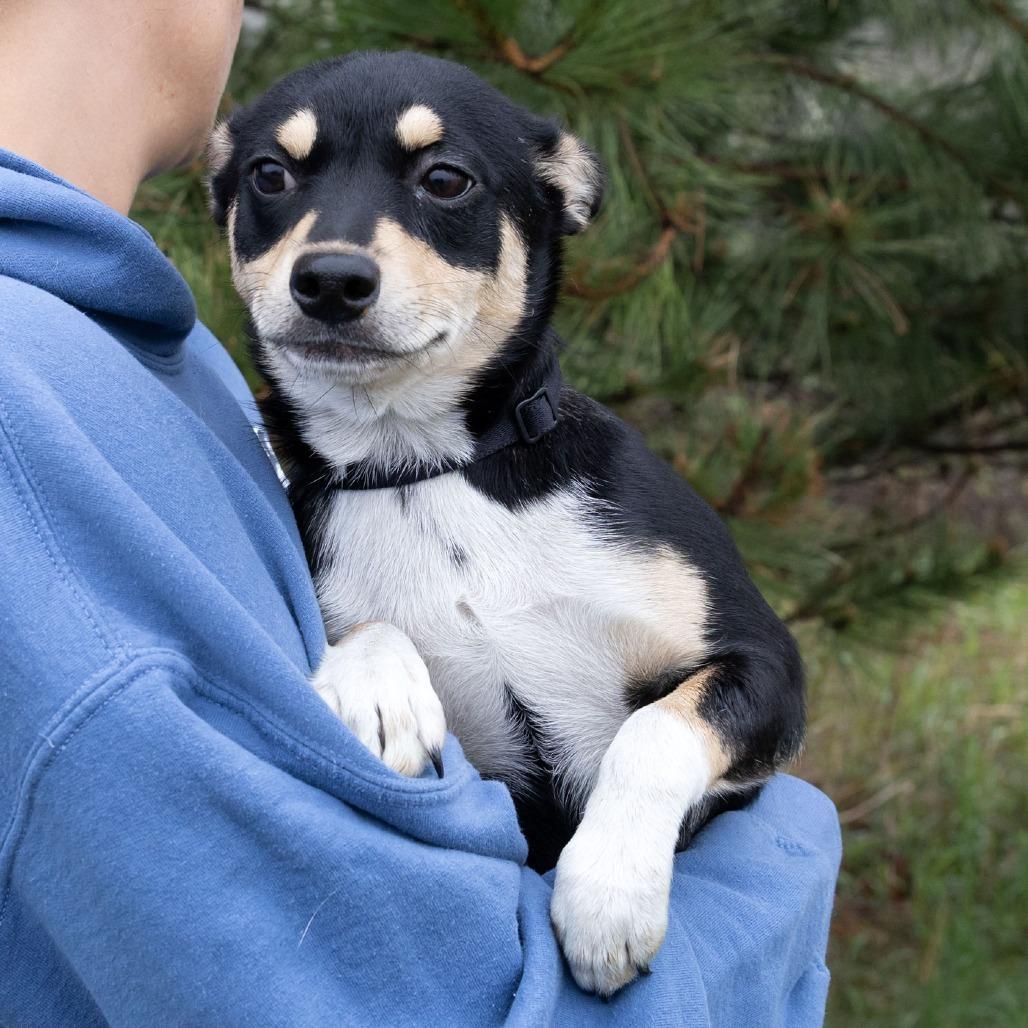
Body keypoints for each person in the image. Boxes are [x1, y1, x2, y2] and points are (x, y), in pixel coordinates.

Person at [0, 2, 841, 1024]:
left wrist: (647, 781)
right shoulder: (233, 481)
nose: (336, 254)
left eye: (440, 184)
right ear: (225, 207)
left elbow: (756, 678)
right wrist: (363, 649)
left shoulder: (616, 505)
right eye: (276, 179)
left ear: (554, 206)